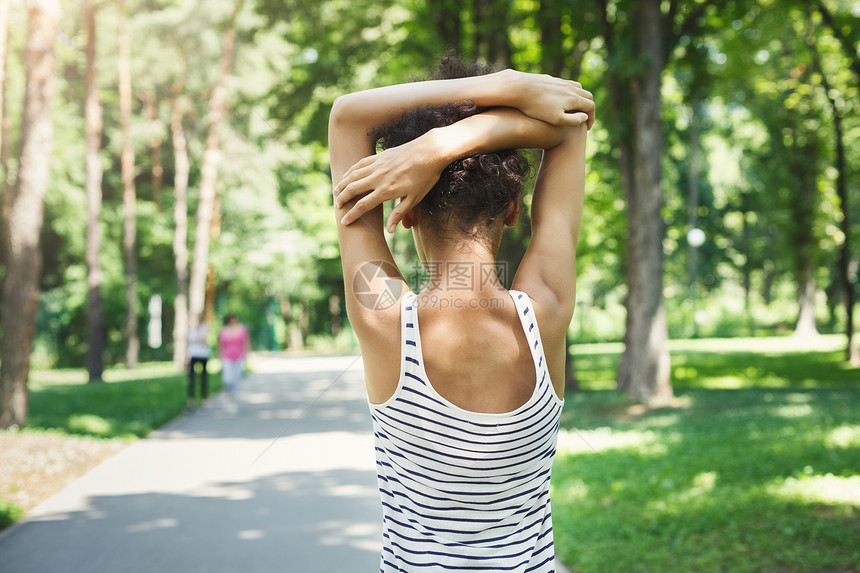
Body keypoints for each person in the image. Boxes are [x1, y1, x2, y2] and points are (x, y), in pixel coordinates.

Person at [329, 56, 593, 572]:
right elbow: (571, 127)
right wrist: (447, 144)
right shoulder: (547, 311)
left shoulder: (384, 321)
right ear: (514, 208)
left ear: (402, 213)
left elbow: (346, 118)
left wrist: (496, 92)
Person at [218, 313, 250, 414]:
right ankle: (228, 395)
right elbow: (220, 344)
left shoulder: (242, 329)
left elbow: (246, 342)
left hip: (239, 357)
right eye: (231, 319)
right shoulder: (224, 330)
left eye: (234, 319)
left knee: (236, 379)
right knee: (228, 379)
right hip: (227, 357)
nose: (233, 321)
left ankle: (233, 400)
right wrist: (220, 357)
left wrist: (246, 355)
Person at [186, 313, 211, 412]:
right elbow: (189, 343)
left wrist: (199, 332)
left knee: (203, 377)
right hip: (193, 354)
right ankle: (191, 400)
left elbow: (203, 340)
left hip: (203, 355)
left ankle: (203, 399)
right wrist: (186, 357)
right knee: (191, 378)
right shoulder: (191, 329)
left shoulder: (205, 328)